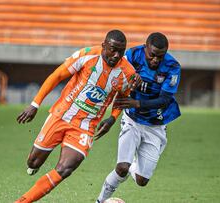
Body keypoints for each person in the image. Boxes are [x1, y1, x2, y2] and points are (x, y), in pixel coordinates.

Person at [15, 30, 139, 203]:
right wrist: (35, 104)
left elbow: (123, 97)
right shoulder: (87, 55)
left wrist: (112, 118)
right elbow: (57, 75)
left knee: (66, 168)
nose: (116, 55)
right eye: (113, 50)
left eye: (121, 51)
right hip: (61, 115)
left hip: (86, 126)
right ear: (104, 45)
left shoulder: (128, 73)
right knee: (33, 162)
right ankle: (34, 165)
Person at [95, 32, 182, 203]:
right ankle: (100, 201)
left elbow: (165, 99)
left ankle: (133, 166)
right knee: (121, 168)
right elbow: (118, 80)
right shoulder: (132, 55)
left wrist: (137, 103)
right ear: (145, 48)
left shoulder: (172, 67)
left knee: (142, 181)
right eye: (152, 55)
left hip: (155, 125)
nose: (156, 60)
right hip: (132, 120)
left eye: (160, 56)